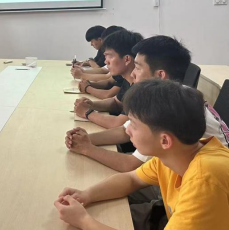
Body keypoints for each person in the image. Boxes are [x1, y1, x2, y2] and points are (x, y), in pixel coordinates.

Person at [55, 79, 229, 230]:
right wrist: (86, 195)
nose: (127, 130)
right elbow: (132, 179)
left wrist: (85, 222)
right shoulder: (177, 152)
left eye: (134, 124)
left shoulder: (205, 178)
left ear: (164, 140)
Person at [66, 36, 229, 173]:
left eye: (137, 67)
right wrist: (85, 140)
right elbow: (124, 131)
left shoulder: (168, 107)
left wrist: (87, 148)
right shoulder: (164, 95)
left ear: (160, 75)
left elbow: (130, 165)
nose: (132, 73)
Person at [74, 29, 143, 129]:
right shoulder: (127, 79)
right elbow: (116, 103)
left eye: (109, 56)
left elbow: (119, 124)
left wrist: (87, 112)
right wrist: (91, 105)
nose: (106, 62)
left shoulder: (140, 88)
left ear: (127, 59)